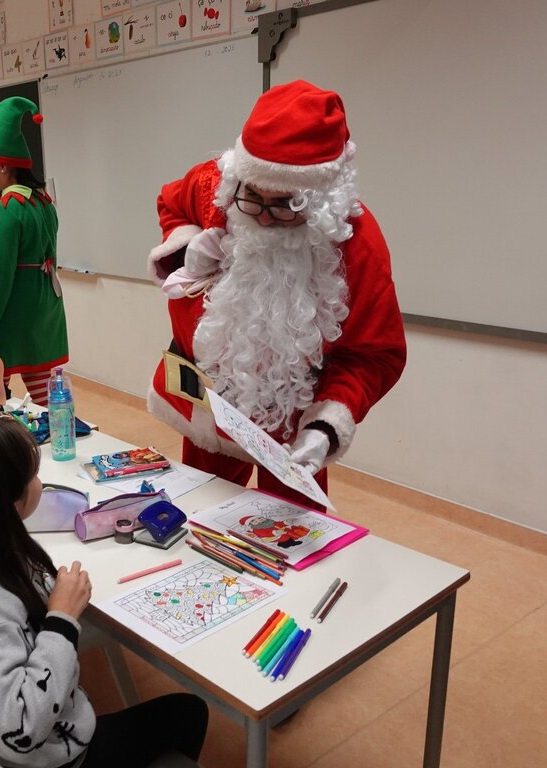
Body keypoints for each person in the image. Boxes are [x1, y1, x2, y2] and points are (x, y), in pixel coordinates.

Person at [147, 80, 407, 509]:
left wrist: (325, 427)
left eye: (285, 206)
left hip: (293, 414)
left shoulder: (356, 245)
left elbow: (375, 355)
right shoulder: (220, 186)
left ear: (320, 202)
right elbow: (171, 202)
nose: (264, 219)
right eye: (253, 198)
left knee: (292, 530)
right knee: (200, 510)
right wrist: (186, 246)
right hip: (209, 400)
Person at [0, 418, 208, 768]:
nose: (39, 482)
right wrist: (62, 620)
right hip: (53, 759)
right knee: (189, 713)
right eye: (33, 475)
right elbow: (19, 730)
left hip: (41, 744)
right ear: (9, 502)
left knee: (181, 714)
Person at [0, 97, 67, 407]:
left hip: (12, 314)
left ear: (3, 165)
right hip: (44, 310)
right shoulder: (44, 203)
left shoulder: (9, 209)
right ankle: (56, 431)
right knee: (45, 397)